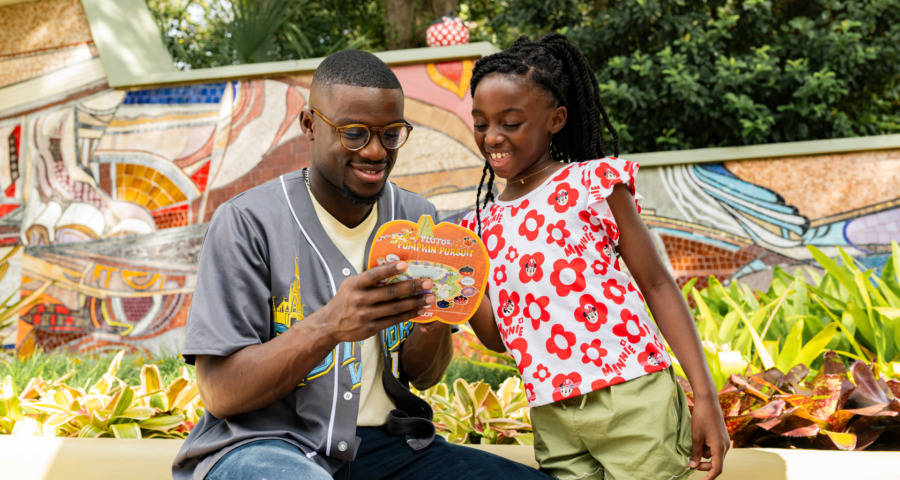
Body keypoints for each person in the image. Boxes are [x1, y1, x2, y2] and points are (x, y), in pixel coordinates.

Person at [173, 50, 547, 480]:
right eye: (353, 133)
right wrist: (331, 325)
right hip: (263, 446)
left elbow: (422, 377)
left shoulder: (417, 218)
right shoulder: (248, 221)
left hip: (389, 447)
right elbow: (220, 393)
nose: (375, 152)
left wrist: (435, 317)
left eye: (391, 134)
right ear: (310, 125)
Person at [461, 34, 730, 480]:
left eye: (511, 122)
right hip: (551, 413)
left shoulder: (593, 184)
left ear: (556, 119)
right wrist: (460, 287)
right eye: (481, 123)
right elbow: (498, 338)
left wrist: (705, 395)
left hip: (632, 398)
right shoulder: (481, 225)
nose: (493, 137)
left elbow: (658, 284)